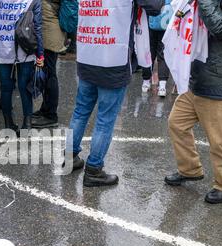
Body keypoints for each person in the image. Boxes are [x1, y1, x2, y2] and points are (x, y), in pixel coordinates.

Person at [65, 0, 163, 187]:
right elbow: (155, 6)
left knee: (81, 111)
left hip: (88, 54)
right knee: (105, 119)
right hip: (113, 59)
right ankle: (94, 169)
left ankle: (69, 157)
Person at [165, 0, 222, 204]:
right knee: (177, 124)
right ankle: (190, 169)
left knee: (221, 141)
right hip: (197, 81)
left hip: (221, 85)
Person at [0, 0, 44, 132]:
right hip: (26, 49)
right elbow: (38, 27)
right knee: (24, 88)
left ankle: (9, 125)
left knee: (6, 88)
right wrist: (40, 54)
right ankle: (27, 124)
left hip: (3, 48)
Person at [32, 0, 66, 129]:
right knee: (47, 73)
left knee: (50, 74)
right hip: (50, 31)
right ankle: (46, 109)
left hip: (49, 33)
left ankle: (51, 115)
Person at [141, 0, 171, 97]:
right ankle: (162, 86)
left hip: (151, 20)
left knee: (149, 53)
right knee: (163, 54)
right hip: (166, 22)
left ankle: (146, 82)